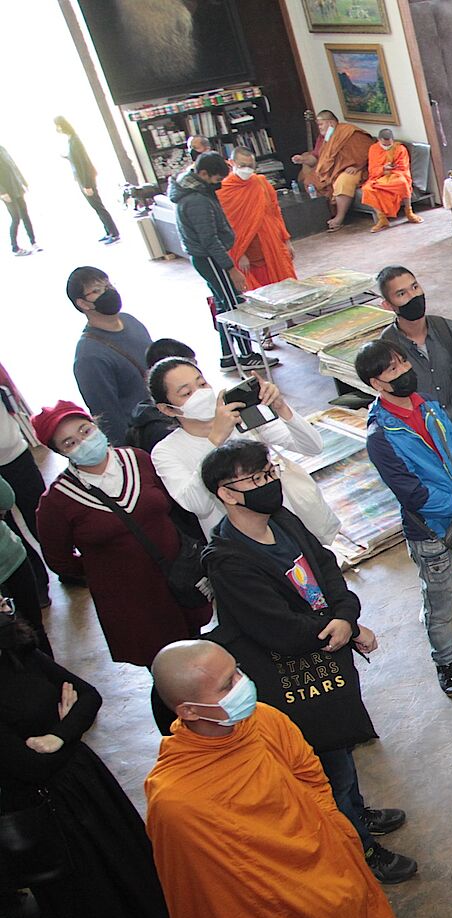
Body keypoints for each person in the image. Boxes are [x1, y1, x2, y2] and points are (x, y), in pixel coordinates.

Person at [146, 640, 449, 918]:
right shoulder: (177, 802)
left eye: (237, 670)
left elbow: (311, 776)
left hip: (328, 879)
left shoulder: (263, 720)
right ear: (189, 710)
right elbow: (206, 903)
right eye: (227, 684)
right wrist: (285, 908)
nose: (243, 685)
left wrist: (332, 845)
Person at [199, 438, 417, 884]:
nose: (269, 483)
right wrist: (341, 628)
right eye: (256, 478)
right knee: (326, 768)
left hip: (327, 654)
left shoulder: (282, 520)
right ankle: (360, 848)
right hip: (296, 678)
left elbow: (326, 567)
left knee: (342, 749)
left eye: (270, 472)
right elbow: (277, 628)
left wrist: (346, 615)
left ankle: (358, 811)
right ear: (226, 493)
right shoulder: (228, 562)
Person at [0, 614, 188, 918]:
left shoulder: (15, 647)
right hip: (43, 812)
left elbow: (89, 696)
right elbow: (27, 767)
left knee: (132, 869)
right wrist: (69, 726)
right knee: (89, 901)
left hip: (87, 786)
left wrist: (58, 735)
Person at [33, 402, 211, 723]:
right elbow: (59, 560)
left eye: (85, 431)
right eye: (70, 442)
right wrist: (107, 574)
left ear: (95, 424)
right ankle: (180, 737)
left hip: (179, 581)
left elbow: (173, 507)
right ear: (60, 452)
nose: (84, 442)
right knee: (166, 675)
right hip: (133, 605)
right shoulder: (58, 502)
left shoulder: (138, 460)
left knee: (197, 651)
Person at [358, 340, 452, 696]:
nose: (404, 371)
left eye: (403, 363)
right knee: (439, 601)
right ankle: (445, 662)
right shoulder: (381, 436)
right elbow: (413, 494)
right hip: (430, 531)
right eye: (392, 369)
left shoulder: (430, 408)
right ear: (376, 383)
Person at [148, 357, 340, 544]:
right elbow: (198, 505)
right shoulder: (166, 451)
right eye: (186, 393)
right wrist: (215, 439)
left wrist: (281, 408)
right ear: (167, 409)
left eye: (202, 384)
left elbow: (313, 446)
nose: (200, 394)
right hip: (240, 546)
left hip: (287, 525)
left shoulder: (241, 416)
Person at [377, 266, 452, 469]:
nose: (413, 296)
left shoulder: (449, 330)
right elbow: (395, 394)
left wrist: (446, 420)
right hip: (427, 444)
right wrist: (430, 426)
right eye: (401, 294)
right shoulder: (388, 345)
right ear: (387, 305)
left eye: (415, 287)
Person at [169, 152, 253, 369]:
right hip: (210, 259)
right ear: (204, 174)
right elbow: (209, 239)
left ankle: (229, 355)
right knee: (234, 305)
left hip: (208, 258)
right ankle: (245, 355)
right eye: (217, 179)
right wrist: (231, 268)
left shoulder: (197, 190)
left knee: (225, 305)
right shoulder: (196, 199)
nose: (219, 184)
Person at [67, 266, 153, 448]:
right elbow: (108, 417)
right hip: (144, 436)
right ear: (83, 304)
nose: (108, 293)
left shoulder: (130, 320)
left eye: (108, 286)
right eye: (97, 291)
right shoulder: (89, 357)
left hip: (163, 416)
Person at [218, 148, 296, 290]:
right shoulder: (223, 191)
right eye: (242, 165)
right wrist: (240, 254)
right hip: (248, 252)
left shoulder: (261, 182)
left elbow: (275, 212)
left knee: (287, 285)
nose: (247, 169)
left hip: (272, 243)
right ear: (231, 163)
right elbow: (227, 226)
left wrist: (286, 240)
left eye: (251, 166)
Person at [0, 363, 47, 595]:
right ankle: (36, 583)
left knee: (40, 515)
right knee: (8, 530)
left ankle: (67, 567)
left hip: (15, 454)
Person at [291, 109, 374, 231]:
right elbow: (316, 158)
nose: (319, 127)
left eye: (321, 124)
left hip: (354, 168)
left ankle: (339, 218)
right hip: (332, 170)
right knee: (310, 180)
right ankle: (326, 214)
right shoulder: (324, 138)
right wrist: (303, 159)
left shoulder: (350, 132)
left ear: (330, 123)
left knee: (343, 182)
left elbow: (368, 151)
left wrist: (357, 166)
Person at [0, 477, 49, 656]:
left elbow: (6, 498)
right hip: (11, 556)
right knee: (33, 627)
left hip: (11, 558)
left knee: (17, 635)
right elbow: (6, 498)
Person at [52, 117, 117, 244]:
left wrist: (87, 185)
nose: (57, 128)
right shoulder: (71, 140)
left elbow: (83, 163)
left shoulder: (75, 141)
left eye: (58, 125)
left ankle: (114, 233)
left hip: (86, 180)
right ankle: (109, 231)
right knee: (96, 207)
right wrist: (67, 157)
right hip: (82, 179)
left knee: (98, 206)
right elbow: (78, 160)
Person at [361, 129, 421, 232]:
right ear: (379, 140)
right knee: (367, 189)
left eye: (389, 144)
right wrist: (383, 169)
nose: (387, 147)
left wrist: (391, 169)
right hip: (379, 177)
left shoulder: (400, 148)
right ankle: (382, 219)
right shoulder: (373, 149)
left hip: (396, 175)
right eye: (384, 144)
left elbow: (403, 167)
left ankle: (409, 213)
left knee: (403, 183)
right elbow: (372, 169)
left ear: (393, 140)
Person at [0, 143, 38, 255]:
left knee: (25, 215)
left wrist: (23, 182)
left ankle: (33, 242)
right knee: (15, 218)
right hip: (6, 192)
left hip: (16, 187)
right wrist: (2, 192)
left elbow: (13, 166)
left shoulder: (2, 148)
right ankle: (15, 248)